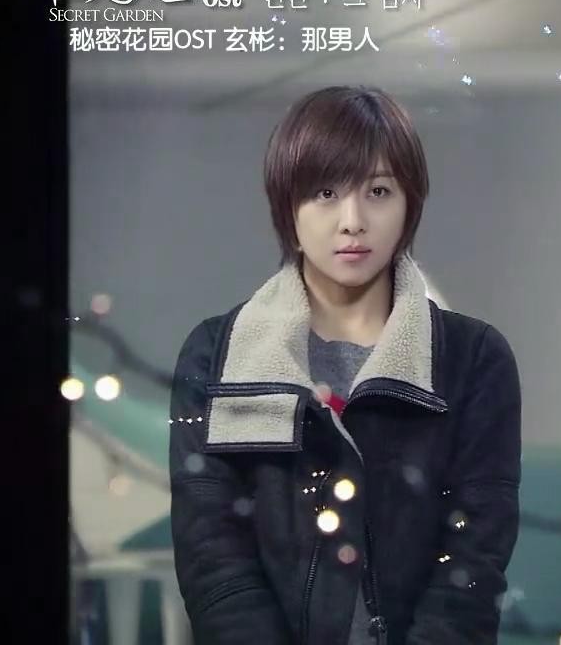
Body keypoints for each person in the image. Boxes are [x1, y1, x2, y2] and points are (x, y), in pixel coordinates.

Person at [168, 86, 522, 644]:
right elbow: (212, 556)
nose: (352, 220)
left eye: (378, 191)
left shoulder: (471, 358)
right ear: (288, 206)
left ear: (409, 204)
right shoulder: (217, 355)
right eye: (326, 192)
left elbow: (474, 561)